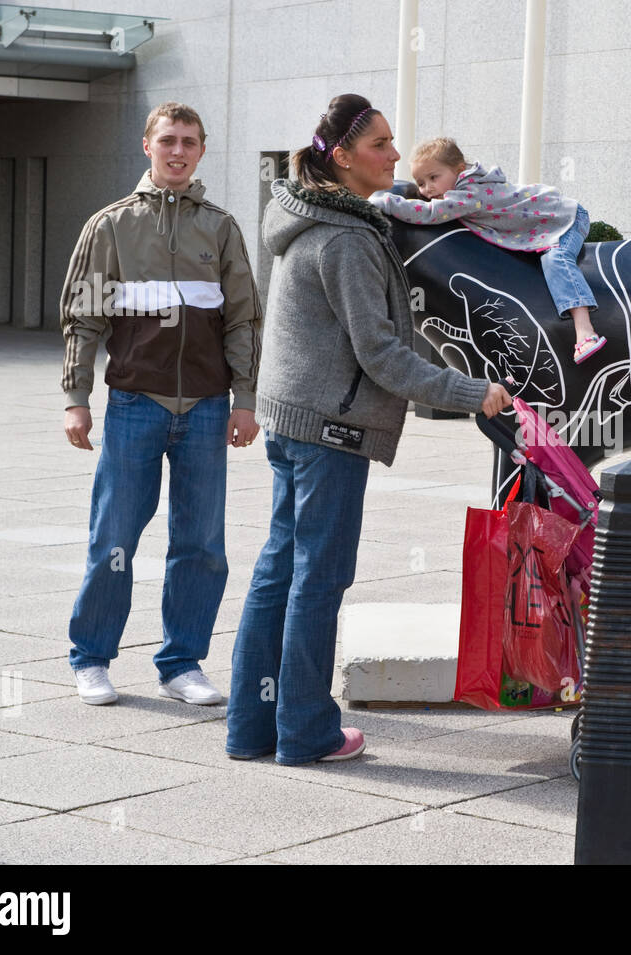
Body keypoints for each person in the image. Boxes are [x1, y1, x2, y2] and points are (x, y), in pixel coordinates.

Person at [225, 94, 512, 765]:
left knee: (279, 572)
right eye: (380, 144)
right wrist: (474, 391)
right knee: (317, 580)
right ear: (344, 157)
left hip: (294, 420)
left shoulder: (308, 216)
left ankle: (251, 726)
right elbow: (380, 354)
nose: (394, 155)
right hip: (331, 429)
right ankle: (306, 731)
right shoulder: (348, 239)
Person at [60, 101, 263, 707]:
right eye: (168, 140)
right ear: (147, 146)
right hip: (133, 405)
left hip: (205, 408)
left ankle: (182, 664)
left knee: (202, 545)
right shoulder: (110, 226)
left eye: (190, 142)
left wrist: (244, 399)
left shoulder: (221, 227)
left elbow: (244, 319)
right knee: (115, 537)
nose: (178, 151)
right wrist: (76, 398)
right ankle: (91, 658)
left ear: (202, 151)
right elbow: (83, 315)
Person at [371, 137, 607, 365]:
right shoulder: (462, 192)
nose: (427, 189)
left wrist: (385, 203)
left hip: (563, 218)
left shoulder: (471, 193)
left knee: (557, 260)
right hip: (541, 226)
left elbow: (430, 212)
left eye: (434, 177)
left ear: (459, 169)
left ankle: (585, 331)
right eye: (420, 183)